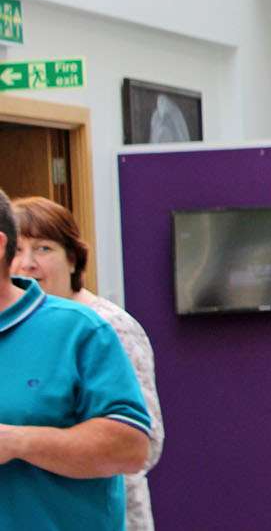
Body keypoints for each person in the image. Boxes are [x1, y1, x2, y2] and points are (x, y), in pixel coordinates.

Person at [0, 189, 155, 531]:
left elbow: (134, 447)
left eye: (43, 248)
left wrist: (17, 442)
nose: (30, 260)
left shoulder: (84, 330)